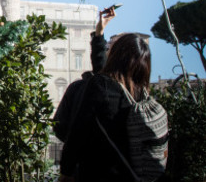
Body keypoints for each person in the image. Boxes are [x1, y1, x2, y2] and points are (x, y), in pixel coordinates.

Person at [59, 32, 157, 182]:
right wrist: (98, 35)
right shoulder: (142, 93)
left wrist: (66, 170)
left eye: (110, 47)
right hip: (135, 173)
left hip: (100, 172)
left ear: (117, 56)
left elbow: (78, 131)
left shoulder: (101, 86)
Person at [53, 6, 116, 142]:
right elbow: (101, 68)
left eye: (109, 46)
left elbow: (59, 127)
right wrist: (99, 33)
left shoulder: (79, 88)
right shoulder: (125, 94)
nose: (106, 48)